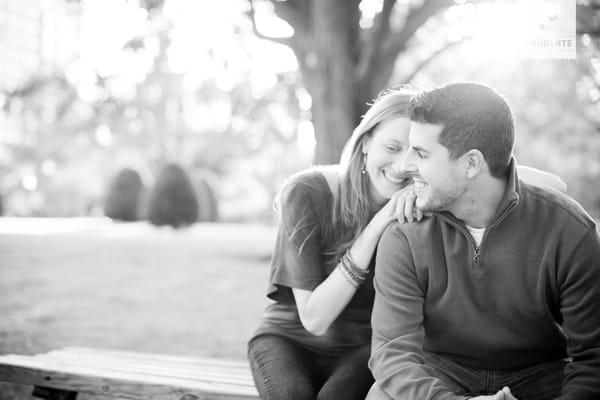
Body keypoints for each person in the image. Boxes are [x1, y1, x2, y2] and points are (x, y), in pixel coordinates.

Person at [247, 86, 567, 400]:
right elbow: (315, 319)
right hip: (291, 339)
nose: (403, 166)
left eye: (416, 151)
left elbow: (553, 185)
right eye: (392, 147)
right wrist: (377, 225)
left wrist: (475, 166)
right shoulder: (307, 192)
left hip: (366, 347)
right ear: (366, 142)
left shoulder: (429, 195)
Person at [367, 82, 600, 400]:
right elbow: (392, 355)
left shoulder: (569, 230)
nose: (406, 165)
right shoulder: (405, 234)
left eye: (421, 153)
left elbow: (593, 359)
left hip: (542, 374)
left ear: (472, 163)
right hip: (444, 372)